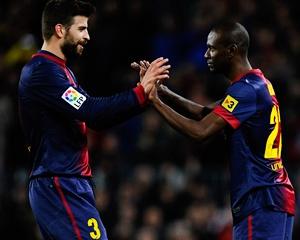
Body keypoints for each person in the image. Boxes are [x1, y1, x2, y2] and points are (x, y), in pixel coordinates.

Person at [18, 0, 170, 239]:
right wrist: (140, 92)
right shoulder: (43, 72)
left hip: (64, 182)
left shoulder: (61, 72)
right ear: (60, 30)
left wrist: (144, 95)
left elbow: (97, 117)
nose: (88, 36)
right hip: (60, 182)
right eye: (81, 29)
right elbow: (92, 111)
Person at [135, 21, 296, 239]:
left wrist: (153, 101)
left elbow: (200, 131)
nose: (206, 55)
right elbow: (204, 113)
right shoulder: (257, 84)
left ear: (231, 51)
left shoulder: (245, 90)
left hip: (259, 198)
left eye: (212, 48)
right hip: (273, 195)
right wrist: (162, 91)